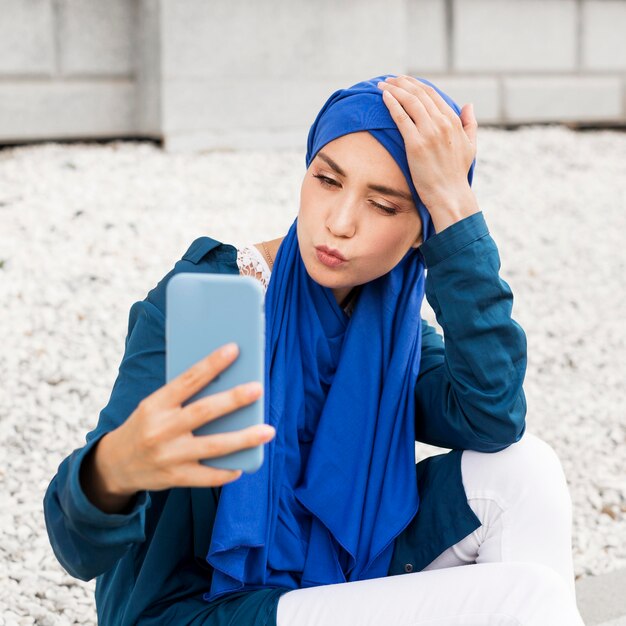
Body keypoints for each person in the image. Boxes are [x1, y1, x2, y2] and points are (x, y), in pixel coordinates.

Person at [43, 75, 585, 625]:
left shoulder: (389, 329)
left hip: (339, 585)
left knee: (525, 468)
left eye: (383, 204)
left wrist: (456, 206)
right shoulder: (214, 305)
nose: (339, 222)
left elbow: (492, 417)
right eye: (327, 180)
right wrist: (114, 468)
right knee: (525, 599)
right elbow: (76, 546)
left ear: (423, 230)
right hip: (198, 610)